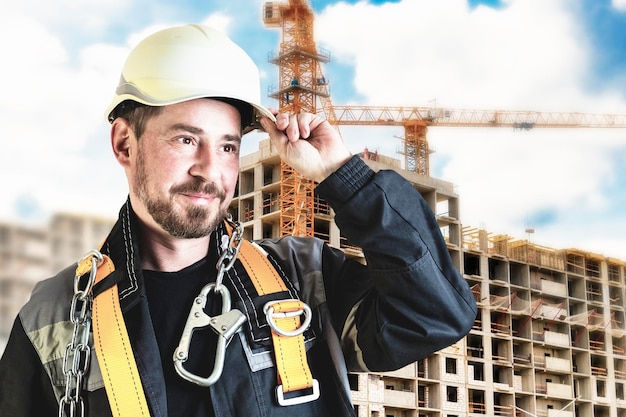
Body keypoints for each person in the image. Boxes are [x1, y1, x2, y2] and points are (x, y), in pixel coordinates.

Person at [0, 24, 477, 417]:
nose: (210, 169)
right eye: (186, 140)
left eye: (227, 146)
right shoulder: (55, 317)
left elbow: (435, 316)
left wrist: (342, 177)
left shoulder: (302, 279)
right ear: (124, 144)